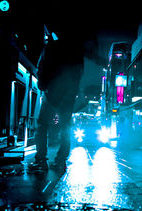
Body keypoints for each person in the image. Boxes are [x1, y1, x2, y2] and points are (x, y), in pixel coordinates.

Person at [28, 23, 94, 173]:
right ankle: (60, 160)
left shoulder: (51, 47)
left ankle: (41, 160)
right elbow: (78, 74)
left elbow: (42, 67)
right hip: (69, 95)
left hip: (53, 92)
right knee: (65, 127)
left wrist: (43, 85)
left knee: (42, 125)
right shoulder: (77, 51)